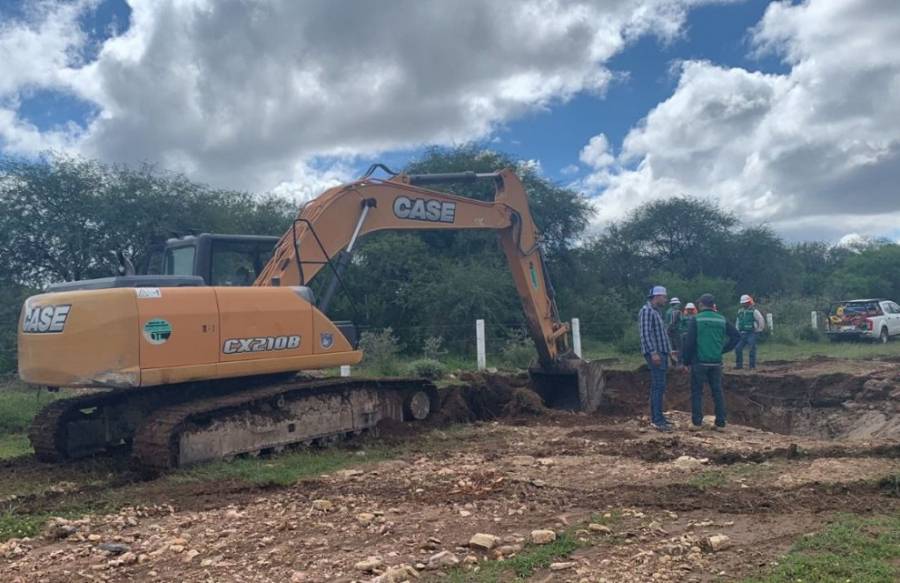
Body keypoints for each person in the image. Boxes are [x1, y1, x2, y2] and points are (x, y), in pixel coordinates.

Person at [681, 294, 740, 430]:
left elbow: (689, 343)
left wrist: (686, 361)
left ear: (701, 305)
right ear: (713, 305)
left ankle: (696, 423)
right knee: (717, 391)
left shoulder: (696, 320)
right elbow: (736, 336)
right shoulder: (722, 319)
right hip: (716, 362)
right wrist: (722, 350)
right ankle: (720, 423)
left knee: (697, 391)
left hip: (699, 361)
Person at [639, 285, 673, 432]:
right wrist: (653, 352)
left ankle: (658, 417)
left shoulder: (656, 312)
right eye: (664, 297)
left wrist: (670, 352)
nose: (665, 300)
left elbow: (661, 335)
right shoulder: (647, 311)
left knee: (659, 386)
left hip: (661, 352)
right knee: (658, 386)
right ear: (657, 296)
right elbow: (645, 334)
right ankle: (657, 420)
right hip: (656, 353)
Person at [734, 294, 765, 370]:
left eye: (745, 302)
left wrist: (759, 329)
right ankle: (739, 366)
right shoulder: (740, 311)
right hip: (742, 333)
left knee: (752, 349)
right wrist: (737, 330)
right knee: (737, 348)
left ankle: (752, 366)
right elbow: (738, 321)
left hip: (752, 333)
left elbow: (760, 320)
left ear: (748, 302)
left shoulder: (754, 311)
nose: (744, 304)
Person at [665, 297, 683, 363]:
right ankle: (679, 363)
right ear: (676, 304)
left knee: (672, 348)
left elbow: (667, 323)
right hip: (676, 332)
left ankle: (673, 363)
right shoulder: (676, 311)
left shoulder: (668, 311)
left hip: (669, 332)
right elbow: (672, 323)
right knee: (679, 348)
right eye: (678, 304)